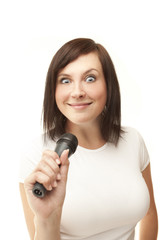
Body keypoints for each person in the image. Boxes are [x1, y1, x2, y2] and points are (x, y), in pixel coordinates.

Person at [19, 38, 158, 240]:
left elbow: (149, 213)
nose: (77, 92)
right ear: (53, 90)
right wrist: (48, 218)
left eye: (90, 78)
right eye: (65, 80)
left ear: (108, 85)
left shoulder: (133, 141)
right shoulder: (37, 155)